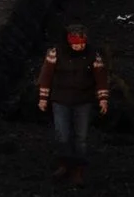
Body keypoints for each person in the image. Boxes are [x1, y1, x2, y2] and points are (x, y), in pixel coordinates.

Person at [36, 23, 110, 182]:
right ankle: (64, 164)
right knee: (62, 135)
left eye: (82, 43)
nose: (80, 46)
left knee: (81, 137)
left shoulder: (93, 55)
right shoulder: (55, 53)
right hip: (60, 100)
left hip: (83, 100)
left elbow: (101, 78)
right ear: (69, 42)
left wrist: (103, 99)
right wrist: (43, 98)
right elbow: (46, 77)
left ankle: (78, 170)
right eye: (76, 44)